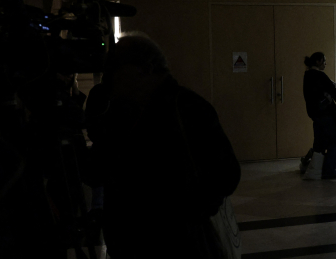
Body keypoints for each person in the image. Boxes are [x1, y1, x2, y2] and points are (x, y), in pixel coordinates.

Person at [90, 34, 241, 258]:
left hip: (179, 244)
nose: (109, 76)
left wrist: (184, 214)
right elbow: (97, 171)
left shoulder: (187, 108)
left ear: (145, 68)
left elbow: (226, 174)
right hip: (130, 243)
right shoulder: (121, 112)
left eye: (116, 67)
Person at [303, 52, 336, 180]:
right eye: (324, 60)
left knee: (319, 143)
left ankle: (316, 170)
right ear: (318, 61)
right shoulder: (319, 76)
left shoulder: (307, 75)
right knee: (334, 141)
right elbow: (333, 91)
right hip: (326, 114)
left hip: (316, 115)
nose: (325, 64)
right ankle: (329, 171)